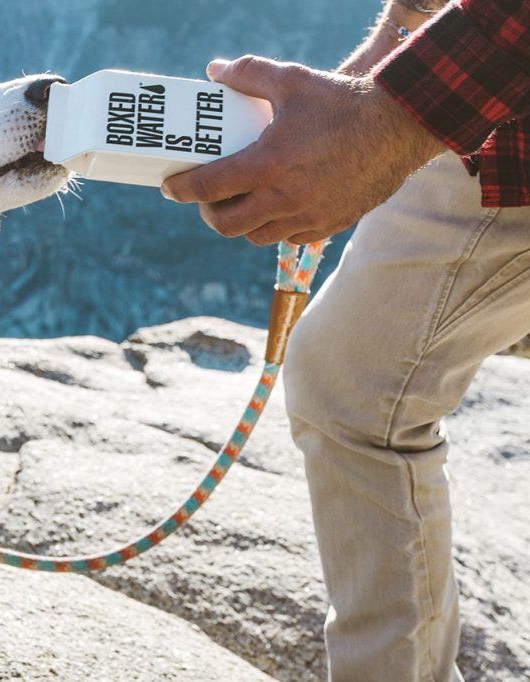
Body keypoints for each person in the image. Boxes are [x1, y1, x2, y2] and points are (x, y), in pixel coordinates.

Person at [161, 0, 530, 680]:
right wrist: (394, 48)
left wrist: (384, 120)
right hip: (481, 109)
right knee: (352, 377)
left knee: (356, 386)